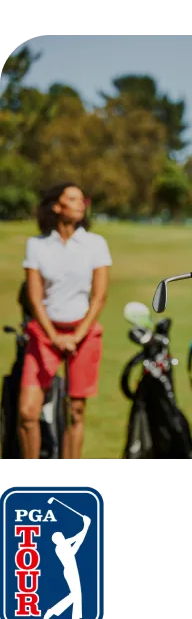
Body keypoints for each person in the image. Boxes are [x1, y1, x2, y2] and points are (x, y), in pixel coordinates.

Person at [18, 183, 111, 460]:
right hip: (45, 333)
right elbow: (35, 299)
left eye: (82, 199)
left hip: (83, 333)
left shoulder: (95, 244)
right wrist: (54, 336)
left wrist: (77, 335)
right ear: (57, 207)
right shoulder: (37, 246)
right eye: (72, 199)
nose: (80, 204)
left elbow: (99, 297)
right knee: (27, 412)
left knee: (76, 411)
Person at [43, 514, 91, 619]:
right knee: (75, 595)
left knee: (77, 595)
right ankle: (53, 611)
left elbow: (77, 538)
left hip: (73, 570)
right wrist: (86, 526)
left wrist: (86, 526)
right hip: (70, 571)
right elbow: (76, 547)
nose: (62, 536)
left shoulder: (64, 543)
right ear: (57, 540)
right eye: (60, 536)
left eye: (62, 535)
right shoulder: (59, 548)